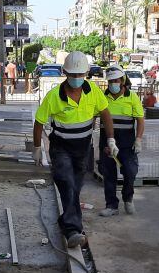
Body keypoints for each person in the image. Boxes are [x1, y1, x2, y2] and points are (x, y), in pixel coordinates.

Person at [31, 51, 115, 249]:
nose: (76, 79)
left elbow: (106, 114)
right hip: (61, 149)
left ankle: (66, 220)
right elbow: (39, 122)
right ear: (64, 72)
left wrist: (110, 139)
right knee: (67, 184)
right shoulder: (54, 96)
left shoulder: (93, 92)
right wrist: (37, 148)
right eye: (73, 75)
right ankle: (73, 230)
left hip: (83, 149)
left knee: (75, 188)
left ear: (86, 73)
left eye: (80, 75)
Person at [98, 66, 145, 216]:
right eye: (110, 81)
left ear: (122, 81)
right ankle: (111, 205)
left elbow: (140, 120)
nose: (113, 83)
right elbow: (93, 118)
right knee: (109, 174)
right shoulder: (102, 97)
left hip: (126, 144)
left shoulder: (132, 97)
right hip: (107, 143)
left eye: (116, 80)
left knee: (130, 171)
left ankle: (128, 197)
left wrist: (138, 139)